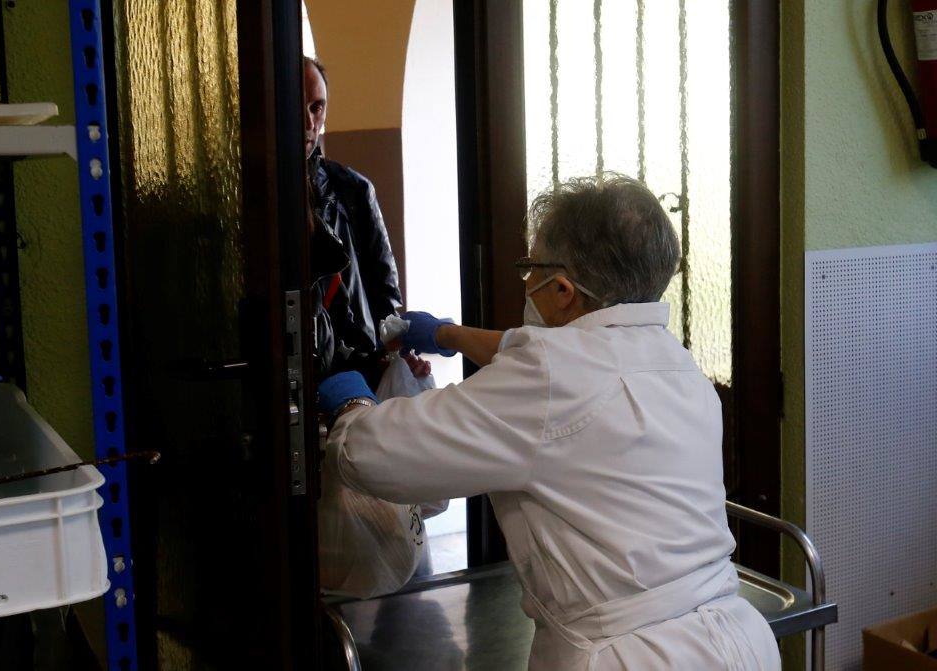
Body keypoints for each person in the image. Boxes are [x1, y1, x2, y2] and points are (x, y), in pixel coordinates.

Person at [317, 174, 781, 670]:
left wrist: (351, 406)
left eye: (529, 268)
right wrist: (448, 335)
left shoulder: (547, 379)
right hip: (737, 639)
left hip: (628, 655)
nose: (525, 282)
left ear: (562, 290)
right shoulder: (676, 363)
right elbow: (564, 364)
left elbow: (370, 456)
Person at [303, 56, 428, 386]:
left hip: (358, 363)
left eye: (317, 107)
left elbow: (384, 288)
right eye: (298, 105)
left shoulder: (353, 189)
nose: (308, 121)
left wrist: (396, 354)